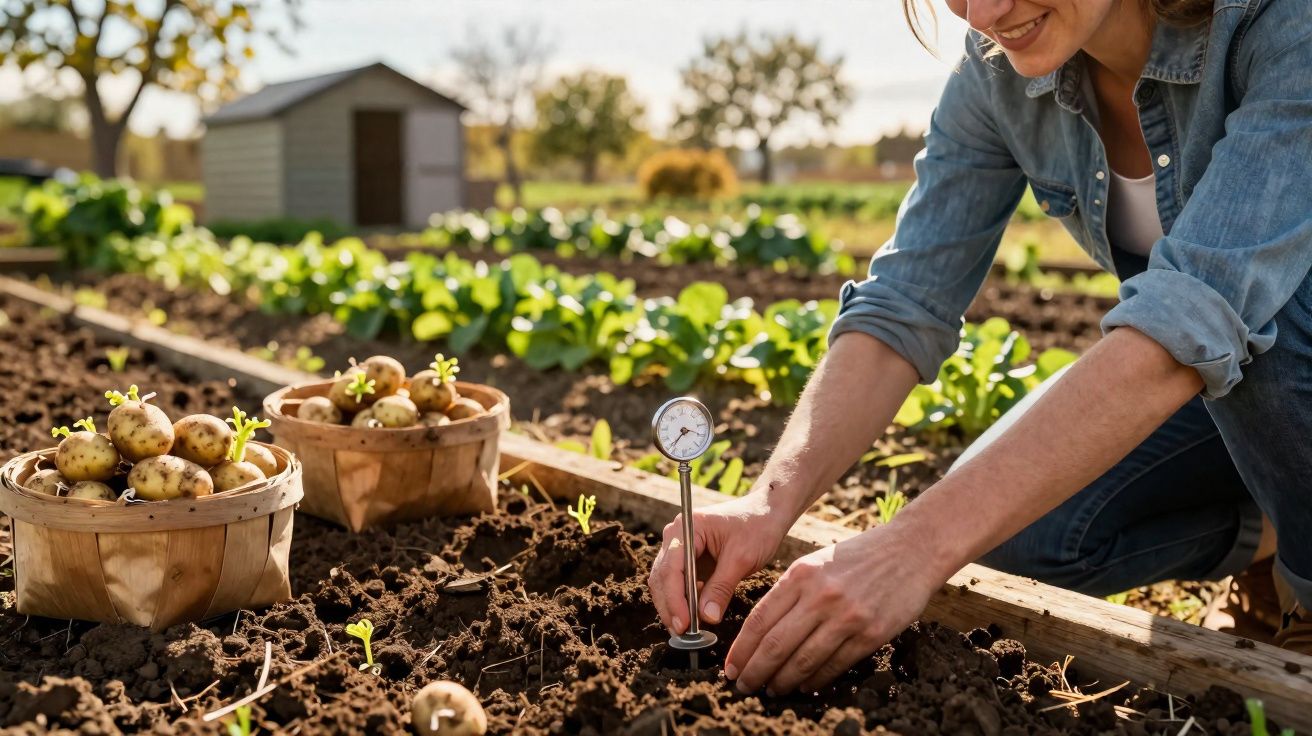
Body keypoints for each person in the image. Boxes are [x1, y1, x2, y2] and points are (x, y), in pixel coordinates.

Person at [647, 0, 1312, 697]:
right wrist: (769, 503)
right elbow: (906, 299)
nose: (987, 11)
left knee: (1262, 311)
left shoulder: (1283, 23)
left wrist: (912, 547)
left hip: (1269, 352)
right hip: (1232, 386)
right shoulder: (999, 72)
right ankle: (1274, 533)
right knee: (1013, 536)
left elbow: (1196, 313)